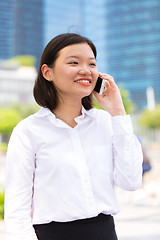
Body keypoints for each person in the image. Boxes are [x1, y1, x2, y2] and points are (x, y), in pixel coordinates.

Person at [4, 33, 143, 240]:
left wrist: (118, 112)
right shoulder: (28, 132)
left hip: (105, 232)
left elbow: (131, 181)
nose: (86, 70)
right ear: (47, 72)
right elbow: (17, 213)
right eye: (74, 62)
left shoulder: (106, 122)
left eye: (92, 64)